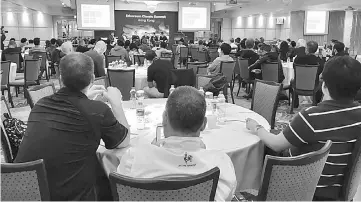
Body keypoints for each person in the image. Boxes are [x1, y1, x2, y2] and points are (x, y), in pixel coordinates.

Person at [15, 53, 130, 200]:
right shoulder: (97, 110)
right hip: (69, 196)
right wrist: (116, 103)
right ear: (93, 79)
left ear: (60, 78)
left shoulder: (40, 105)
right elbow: (123, 141)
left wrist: (85, 99)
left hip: (24, 192)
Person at [246, 56, 361, 201]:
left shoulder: (312, 117)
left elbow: (276, 144)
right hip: (339, 187)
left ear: (324, 85)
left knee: (266, 144)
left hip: (306, 186)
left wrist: (256, 127)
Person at [117, 86, 237, 201]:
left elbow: (121, 195)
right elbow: (228, 196)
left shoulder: (133, 159)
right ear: (204, 124)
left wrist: (148, 151)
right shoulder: (220, 164)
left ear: (164, 118)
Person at [292, 40, 325, 107]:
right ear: (316, 50)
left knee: (292, 81)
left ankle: (295, 103)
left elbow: (294, 68)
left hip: (298, 85)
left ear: (306, 49)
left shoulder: (298, 59)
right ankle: (316, 103)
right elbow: (320, 72)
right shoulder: (319, 61)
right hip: (313, 86)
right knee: (321, 82)